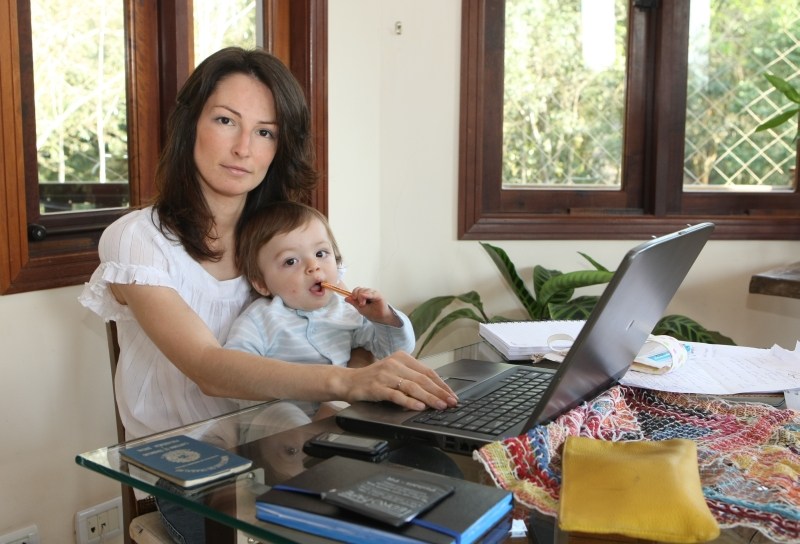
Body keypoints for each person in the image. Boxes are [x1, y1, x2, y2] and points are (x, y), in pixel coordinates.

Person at [78, 47, 456, 543]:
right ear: (190, 123)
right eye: (225, 120)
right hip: (195, 471)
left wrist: (365, 364)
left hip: (297, 443)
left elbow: (345, 331)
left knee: (440, 484)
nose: (243, 148)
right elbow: (209, 368)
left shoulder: (287, 234)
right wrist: (347, 383)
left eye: (264, 132)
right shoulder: (138, 238)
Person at [224, 201, 416, 418]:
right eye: (291, 261)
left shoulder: (348, 311)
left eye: (321, 253)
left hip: (337, 425)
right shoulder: (260, 320)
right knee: (284, 411)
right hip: (272, 432)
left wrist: (384, 319)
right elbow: (233, 376)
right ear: (261, 283)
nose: (313, 266)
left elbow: (395, 351)